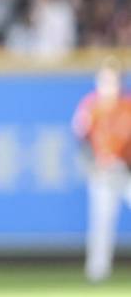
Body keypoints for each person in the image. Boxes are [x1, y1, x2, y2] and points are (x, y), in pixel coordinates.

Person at [72, 56, 131, 283]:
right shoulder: (91, 107)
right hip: (103, 172)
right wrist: (91, 167)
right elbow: (80, 140)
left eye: (114, 81)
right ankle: (98, 272)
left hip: (127, 171)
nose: (110, 86)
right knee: (102, 221)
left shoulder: (127, 106)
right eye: (106, 81)